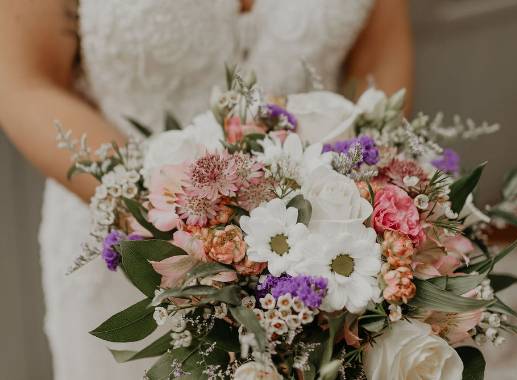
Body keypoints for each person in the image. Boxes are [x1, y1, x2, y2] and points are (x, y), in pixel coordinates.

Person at [0, 0, 413, 378]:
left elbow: (376, 64)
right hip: (131, 248)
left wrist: (354, 206)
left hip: (324, 266)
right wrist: (170, 225)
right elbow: (25, 82)